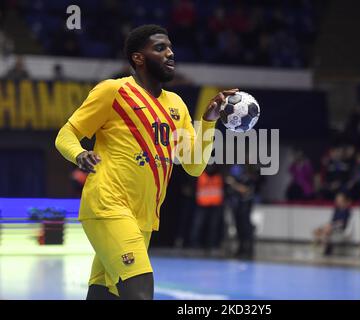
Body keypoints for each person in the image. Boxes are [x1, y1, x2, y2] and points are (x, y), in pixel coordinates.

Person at [55, 24, 238, 300]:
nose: (170, 53)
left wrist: (208, 123)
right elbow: (66, 134)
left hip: (144, 219)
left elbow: (193, 165)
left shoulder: (177, 105)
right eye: (160, 48)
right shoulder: (114, 91)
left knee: (104, 294)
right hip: (108, 205)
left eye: (171, 47)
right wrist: (79, 153)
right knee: (140, 293)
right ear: (138, 58)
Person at [226, 164, 259, 259]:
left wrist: (233, 184)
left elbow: (246, 190)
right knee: (238, 228)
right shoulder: (236, 177)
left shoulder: (248, 178)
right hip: (236, 206)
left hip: (245, 206)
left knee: (246, 228)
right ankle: (240, 249)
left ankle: (248, 250)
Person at [190, 164, 224, 253]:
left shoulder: (220, 176)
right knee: (198, 226)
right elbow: (194, 189)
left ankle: (212, 246)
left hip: (215, 205)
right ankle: (194, 245)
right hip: (202, 204)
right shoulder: (200, 175)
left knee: (213, 227)